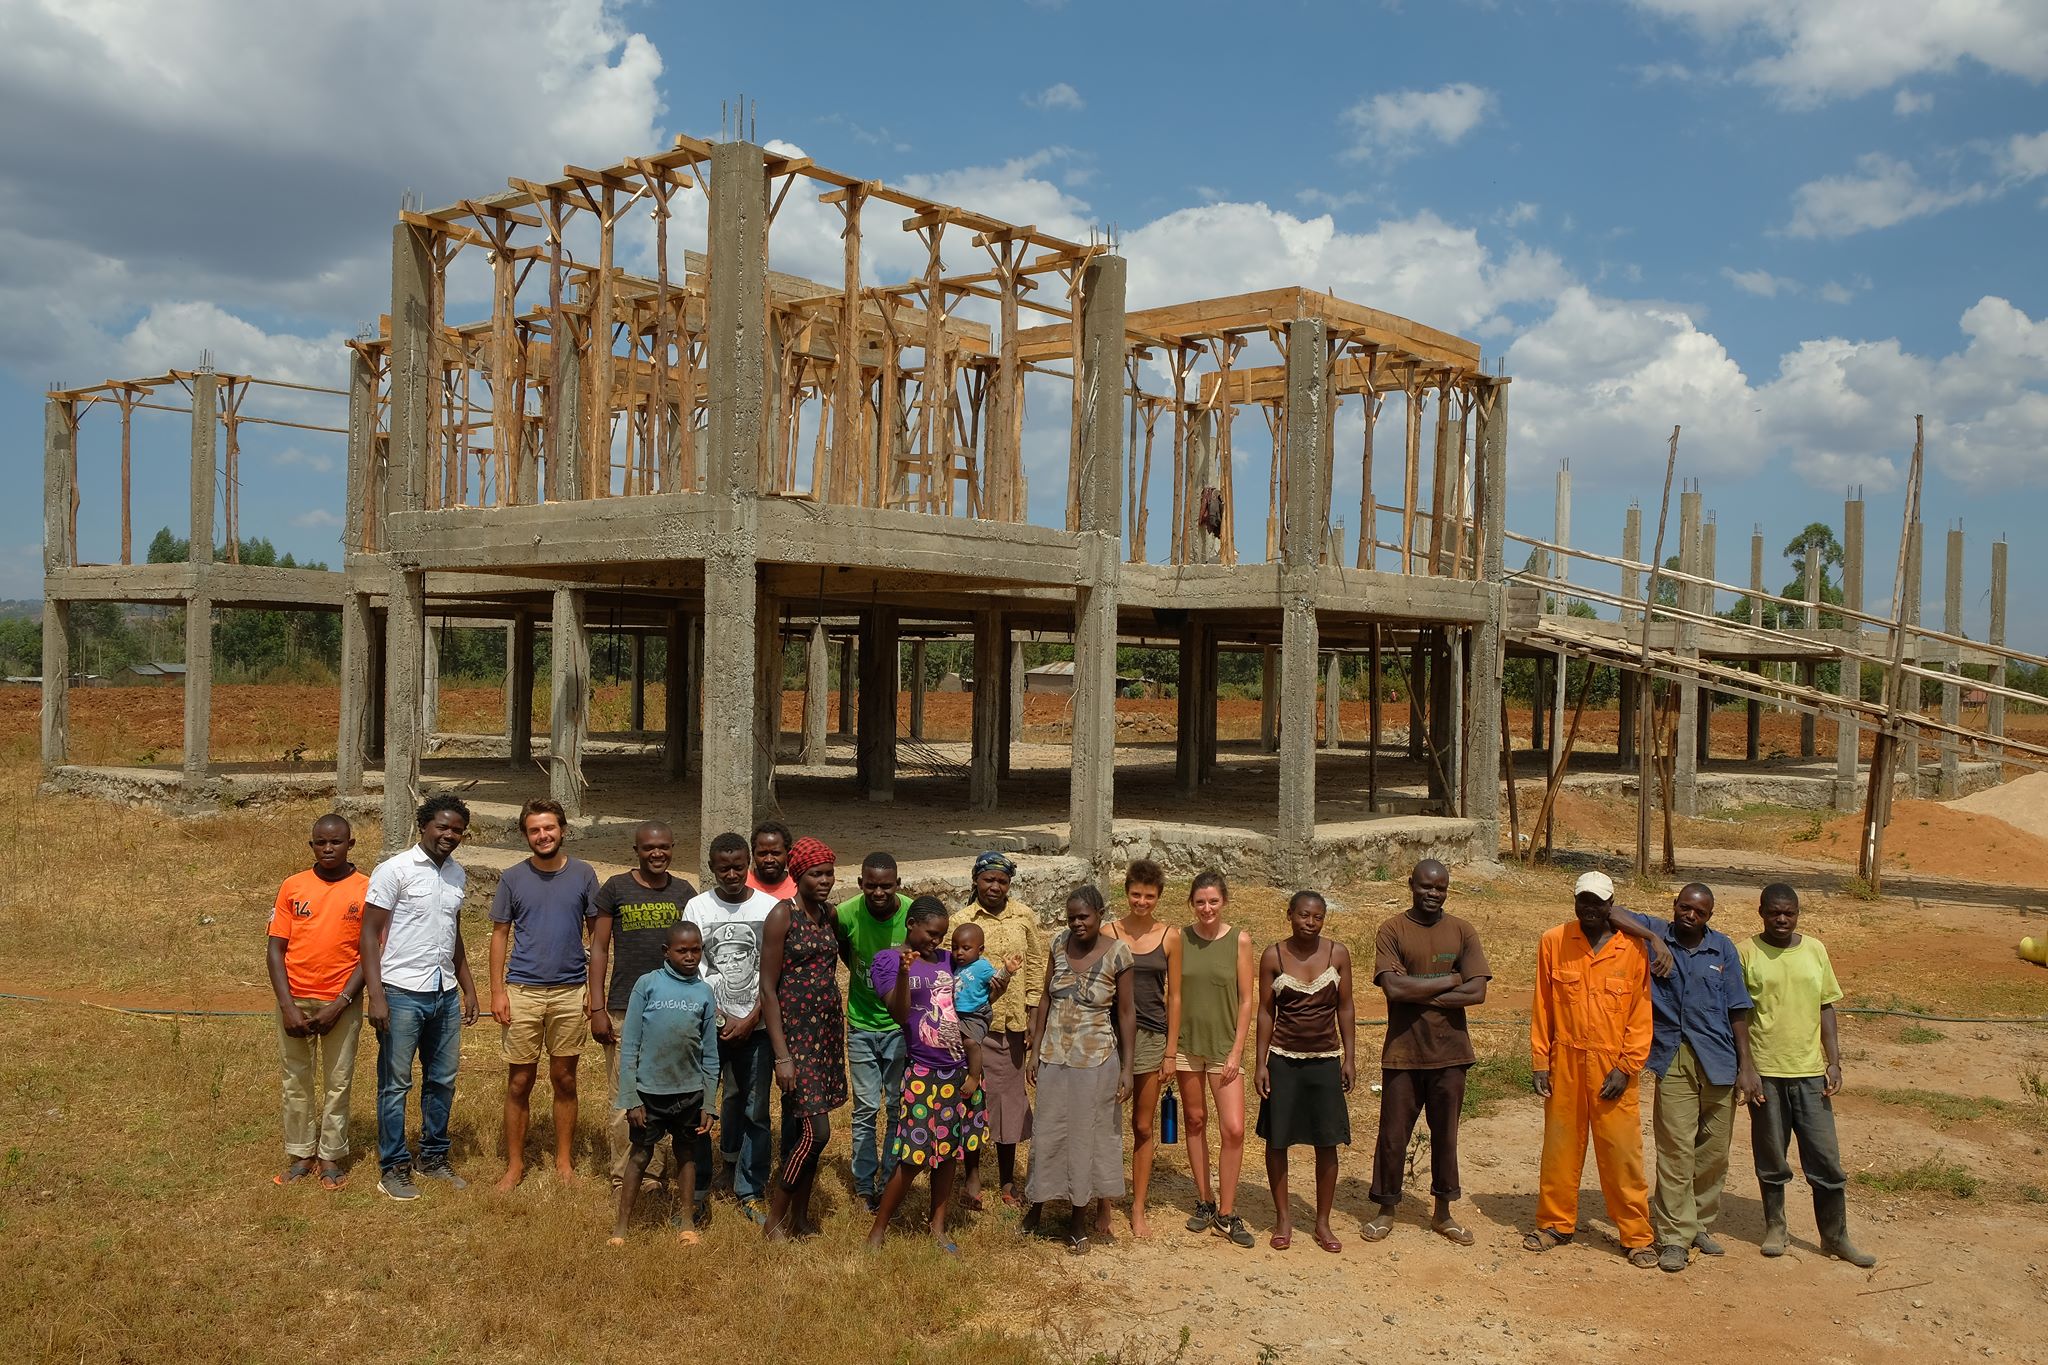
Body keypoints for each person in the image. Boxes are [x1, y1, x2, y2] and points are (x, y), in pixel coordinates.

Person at [1607, 883, 1757, 1272]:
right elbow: (1612, 912)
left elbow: (1738, 1008)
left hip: (1719, 1059)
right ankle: (1673, 1237)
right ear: (1674, 905)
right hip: (1672, 1057)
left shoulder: (1722, 949)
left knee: (1713, 1152)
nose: (1690, 915)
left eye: (1700, 912)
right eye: (1685, 907)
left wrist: (1747, 1066)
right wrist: (1654, 939)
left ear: (1710, 917)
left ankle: (1699, 1225)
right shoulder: (1656, 932)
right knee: (1675, 1149)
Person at [1739, 884, 1877, 1267]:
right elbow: (1737, 1015)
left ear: (1797, 913)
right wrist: (1745, 1069)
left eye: (1789, 913)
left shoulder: (1815, 950)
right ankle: (1776, 1228)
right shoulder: (1745, 952)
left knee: (1825, 1158)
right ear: (1761, 911)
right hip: (1766, 1073)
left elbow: (1826, 1008)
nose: (1782, 919)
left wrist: (1833, 1061)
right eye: (1774, 913)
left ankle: (1835, 1237)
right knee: (1771, 1155)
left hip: (1810, 1073)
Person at [1525, 870, 1657, 1267]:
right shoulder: (1554, 941)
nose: (1590, 908)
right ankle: (1554, 1223)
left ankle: (1635, 1236)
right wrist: (1539, 1061)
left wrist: (1626, 1066)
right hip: (1564, 1058)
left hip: (1612, 1065)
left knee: (1621, 1152)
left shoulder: (1632, 950)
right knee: (1561, 1146)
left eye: (1598, 902)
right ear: (1575, 902)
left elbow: (1641, 1013)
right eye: (1584, 900)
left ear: (1611, 905)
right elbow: (1542, 1006)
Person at [1366, 859, 1491, 1245]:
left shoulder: (1462, 931)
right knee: (1392, 1136)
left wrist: (1421, 990)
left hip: (1451, 1054)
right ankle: (1386, 1208)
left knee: (1446, 1136)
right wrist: (1451, 979)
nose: (1433, 894)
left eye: (1440, 888)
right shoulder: (1392, 930)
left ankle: (1443, 1213)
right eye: (1426, 887)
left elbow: (1478, 992)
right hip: (1403, 1053)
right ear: (1411, 885)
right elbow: (1394, 990)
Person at [361, 794, 479, 1202]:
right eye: (443, 826)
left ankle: (433, 1157)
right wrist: (376, 996)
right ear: (424, 826)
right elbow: (369, 935)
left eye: (458, 829)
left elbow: (453, 935)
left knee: (442, 1080)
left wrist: (468, 986)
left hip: (443, 993)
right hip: (400, 991)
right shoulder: (394, 870)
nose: (450, 835)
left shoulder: (457, 875)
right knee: (395, 1084)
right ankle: (393, 1166)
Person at [487, 797, 602, 1192]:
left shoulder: (585, 874)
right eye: (534, 830)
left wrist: (594, 989)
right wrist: (497, 991)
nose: (543, 835)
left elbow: (597, 935)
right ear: (525, 835)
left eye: (549, 828)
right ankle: (515, 1165)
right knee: (519, 1080)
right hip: (523, 990)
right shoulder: (512, 878)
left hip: (571, 991)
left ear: (563, 830)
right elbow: (500, 935)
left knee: (564, 1078)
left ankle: (564, 1160)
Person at [865, 897, 985, 1253]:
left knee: (948, 1153)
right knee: (913, 1155)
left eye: (942, 936)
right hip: (922, 1071)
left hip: (958, 1071)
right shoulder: (886, 961)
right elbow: (899, 1014)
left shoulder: (949, 960)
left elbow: (975, 997)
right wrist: (904, 972)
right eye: (932, 934)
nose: (937, 942)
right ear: (911, 924)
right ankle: (878, 1229)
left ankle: (938, 1226)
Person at [1023, 885, 1135, 1254]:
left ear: (1100, 913)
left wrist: (1128, 1069)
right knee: (1048, 1130)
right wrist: (1035, 1048)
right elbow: (1043, 997)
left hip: (1097, 1059)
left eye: (1083, 916)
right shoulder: (1058, 944)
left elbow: (1126, 1013)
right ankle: (1036, 1207)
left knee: (1088, 1135)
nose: (1077, 923)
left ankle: (1077, 1219)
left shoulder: (1119, 953)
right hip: (1055, 1054)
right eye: (1072, 917)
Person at [589, 821, 696, 1197]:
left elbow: (695, 950)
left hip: (674, 1008)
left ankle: (653, 1175)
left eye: (664, 847)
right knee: (626, 1096)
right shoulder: (616, 888)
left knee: (667, 1094)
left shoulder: (684, 892)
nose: (657, 853)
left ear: (672, 848)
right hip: (623, 1007)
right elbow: (599, 948)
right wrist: (597, 1005)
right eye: (649, 847)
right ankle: (624, 1177)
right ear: (636, 849)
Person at [265, 813, 368, 1190]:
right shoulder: (293, 887)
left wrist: (340, 1003)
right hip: (295, 998)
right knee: (295, 1078)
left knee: (338, 1081)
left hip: (342, 1001)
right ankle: (300, 1153)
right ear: (311, 845)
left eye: (336, 842)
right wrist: (288, 1005)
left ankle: (330, 1155)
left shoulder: (366, 889)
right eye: (320, 842)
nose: (328, 849)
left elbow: (368, 955)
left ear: (350, 844)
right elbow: (275, 950)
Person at [685, 831, 782, 1226]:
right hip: (707, 1027)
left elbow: (775, 973)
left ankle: (750, 1188)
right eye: (723, 867)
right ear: (711, 868)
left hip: (756, 1028)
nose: (731, 874)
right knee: (699, 1107)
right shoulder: (697, 907)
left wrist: (752, 1017)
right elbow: (692, 966)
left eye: (739, 866)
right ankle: (701, 1187)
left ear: (750, 865)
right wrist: (723, 1017)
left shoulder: (771, 907)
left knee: (756, 1108)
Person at [1255, 890, 1356, 1253]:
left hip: (1325, 1060)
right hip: (1283, 1061)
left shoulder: (1337, 954)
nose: (1310, 923)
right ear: (1290, 915)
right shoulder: (1273, 955)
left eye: (1317, 917)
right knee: (1277, 1139)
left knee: (1326, 1141)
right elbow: (1266, 1012)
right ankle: (1283, 1218)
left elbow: (1345, 1009)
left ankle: (1323, 1222)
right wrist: (1260, 1063)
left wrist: (1349, 1057)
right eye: (1303, 916)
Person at [609, 921, 720, 1246]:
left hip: (689, 1093)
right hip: (649, 1094)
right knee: (640, 1156)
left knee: (686, 1155)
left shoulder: (703, 992)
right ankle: (622, 1226)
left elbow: (710, 1053)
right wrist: (631, 1097)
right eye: (682, 950)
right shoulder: (648, 985)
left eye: (695, 950)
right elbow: (630, 1044)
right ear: (666, 952)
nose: (690, 956)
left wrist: (709, 1102)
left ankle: (687, 1222)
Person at [759, 836, 848, 1239]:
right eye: (816, 874)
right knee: (817, 1132)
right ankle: (773, 1221)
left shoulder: (828, 915)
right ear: (798, 876)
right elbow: (767, 989)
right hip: (796, 1041)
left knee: (808, 1135)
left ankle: (799, 1219)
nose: (825, 880)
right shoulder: (782, 916)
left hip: (826, 1035)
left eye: (829, 872)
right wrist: (782, 1056)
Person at [950, 851, 1046, 1207]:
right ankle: (971, 1177)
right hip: (971, 1027)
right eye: (988, 879)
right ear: (975, 880)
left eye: (1002, 881)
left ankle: (1007, 1182)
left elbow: (1036, 967)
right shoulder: (960, 920)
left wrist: (1034, 1018)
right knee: (973, 1101)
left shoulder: (1024, 917)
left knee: (1009, 1102)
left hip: (1012, 1026)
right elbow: (948, 972)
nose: (995, 886)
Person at [1175, 869, 1257, 1248]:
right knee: (1193, 1120)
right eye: (1200, 902)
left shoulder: (1239, 940)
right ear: (1191, 904)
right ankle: (1205, 1201)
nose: (1206, 908)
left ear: (1223, 902)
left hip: (1224, 1048)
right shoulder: (1179, 939)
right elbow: (1170, 993)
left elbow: (1246, 1000)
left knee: (1234, 1128)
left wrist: (1237, 1050)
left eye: (1213, 901)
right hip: (1186, 1046)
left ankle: (1227, 1211)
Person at [1104, 858, 1180, 1237]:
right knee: (1105, 1124)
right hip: (1110, 1036)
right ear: (1126, 892)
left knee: (1143, 1125)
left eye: (1149, 896)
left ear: (1159, 897)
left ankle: (1137, 1208)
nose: (1142, 902)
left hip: (1151, 1036)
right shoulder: (1108, 931)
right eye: (1136, 894)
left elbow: (1177, 996)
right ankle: (1103, 1205)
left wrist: (1171, 1050)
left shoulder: (1170, 936)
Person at [835, 851, 911, 1213]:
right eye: (871, 886)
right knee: (865, 1108)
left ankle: (890, 1182)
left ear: (898, 883)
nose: (878, 892)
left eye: (886, 885)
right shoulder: (847, 913)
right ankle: (864, 1186)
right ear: (861, 884)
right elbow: (844, 954)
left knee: (897, 1105)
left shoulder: (913, 914)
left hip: (900, 1028)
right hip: (862, 1024)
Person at [949, 921, 1016, 1045]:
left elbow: (997, 978)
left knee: (971, 1043)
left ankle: (976, 1065)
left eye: (966, 948)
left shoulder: (981, 966)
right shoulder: (957, 965)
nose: (959, 952)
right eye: (954, 948)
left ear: (980, 950)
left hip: (976, 1013)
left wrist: (1007, 971)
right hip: (959, 1012)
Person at [748, 820, 795, 901]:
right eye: (762, 853)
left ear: (788, 853)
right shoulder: (741, 884)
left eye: (775, 853)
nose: (769, 860)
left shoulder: (798, 887)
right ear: (753, 853)